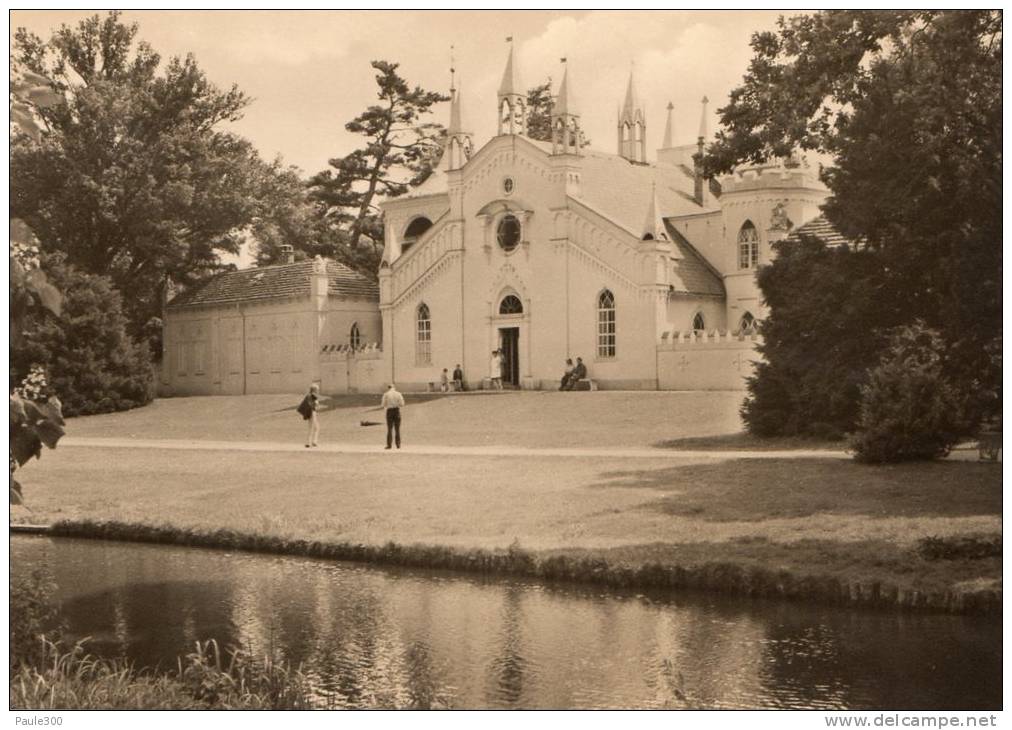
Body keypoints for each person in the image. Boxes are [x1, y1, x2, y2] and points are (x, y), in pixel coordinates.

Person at [381, 383, 405, 449]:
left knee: (389, 429)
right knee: (397, 429)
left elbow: (383, 404)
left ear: (388, 388)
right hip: (397, 411)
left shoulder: (386, 394)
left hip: (389, 411)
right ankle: (398, 444)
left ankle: (389, 445)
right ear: (394, 387)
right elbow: (402, 404)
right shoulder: (398, 394)